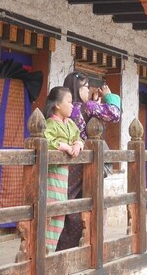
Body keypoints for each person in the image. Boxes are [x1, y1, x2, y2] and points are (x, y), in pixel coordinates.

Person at [56, 72, 121, 250]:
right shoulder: (86, 108)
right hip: (83, 163)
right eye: (86, 87)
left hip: (66, 163)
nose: (88, 90)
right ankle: (83, 245)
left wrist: (94, 102)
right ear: (78, 88)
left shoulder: (66, 109)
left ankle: (61, 247)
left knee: (67, 205)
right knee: (85, 203)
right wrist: (109, 96)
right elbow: (114, 114)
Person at [43, 86, 83, 252]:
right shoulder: (50, 123)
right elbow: (45, 141)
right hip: (51, 177)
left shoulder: (71, 124)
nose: (72, 105)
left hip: (64, 178)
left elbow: (78, 136)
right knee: (50, 215)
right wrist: (62, 146)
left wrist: (78, 144)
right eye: (69, 101)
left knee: (60, 214)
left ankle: (50, 252)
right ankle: (43, 251)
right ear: (57, 105)